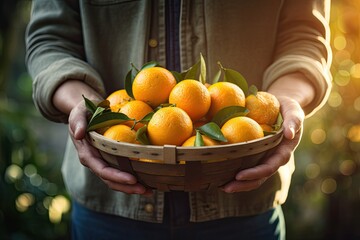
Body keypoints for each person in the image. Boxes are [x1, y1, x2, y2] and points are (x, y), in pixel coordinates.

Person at [25, 0, 332, 239]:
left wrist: (287, 98)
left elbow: (305, 37)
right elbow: (50, 39)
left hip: (244, 206)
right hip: (110, 210)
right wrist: (83, 104)